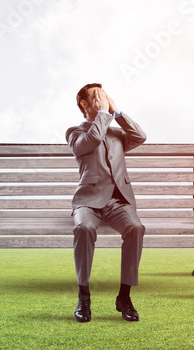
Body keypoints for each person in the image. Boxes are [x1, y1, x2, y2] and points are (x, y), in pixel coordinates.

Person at [66, 83, 147, 323]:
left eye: (105, 95)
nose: (103, 99)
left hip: (117, 202)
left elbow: (140, 136)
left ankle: (124, 296)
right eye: (97, 96)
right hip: (88, 202)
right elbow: (90, 141)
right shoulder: (75, 132)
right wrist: (103, 114)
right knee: (83, 228)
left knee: (136, 228)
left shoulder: (116, 134)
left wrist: (116, 111)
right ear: (84, 103)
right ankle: (83, 295)